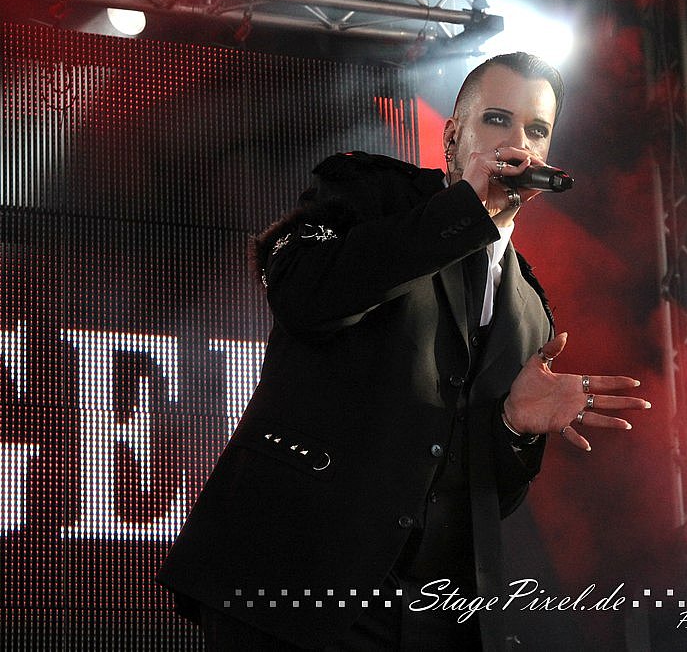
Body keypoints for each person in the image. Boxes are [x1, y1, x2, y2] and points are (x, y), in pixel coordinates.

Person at [157, 52, 650, 651]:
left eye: (537, 130)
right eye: (497, 119)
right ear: (453, 135)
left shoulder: (530, 310)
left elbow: (487, 495)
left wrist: (513, 428)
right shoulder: (370, 190)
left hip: (425, 615)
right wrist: (466, 212)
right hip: (293, 577)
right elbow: (305, 299)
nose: (518, 142)